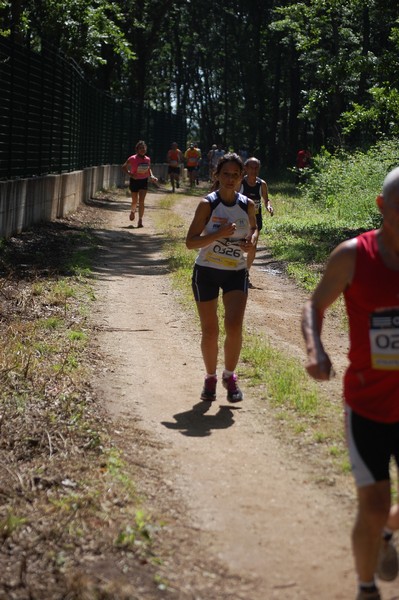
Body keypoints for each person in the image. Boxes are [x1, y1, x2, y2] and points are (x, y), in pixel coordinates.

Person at [301, 166, 399, 600]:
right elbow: (314, 306)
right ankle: (366, 590)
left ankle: (384, 534)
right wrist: (315, 349)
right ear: (381, 206)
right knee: (373, 505)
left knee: (386, 514)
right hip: (368, 406)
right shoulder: (352, 256)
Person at [185, 153, 258, 403]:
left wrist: (251, 242)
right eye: (225, 174)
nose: (230, 179)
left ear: (241, 178)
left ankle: (229, 376)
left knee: (234, 326)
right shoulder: (208, 204)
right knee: (210, 330)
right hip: (206, 271)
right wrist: (218, 235)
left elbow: (254, 228)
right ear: (217, 175)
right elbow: (190, 243)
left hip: (235, 273)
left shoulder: (248, 204)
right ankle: (210, 378)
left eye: (235, 175)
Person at [239, 157, 273, 287]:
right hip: (241, 220)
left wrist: (268, 206)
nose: (254, 170)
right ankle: (236, 270)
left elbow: (266, 199)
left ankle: (246, 273)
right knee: (240, 246)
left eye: (256, 168)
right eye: (251, 168)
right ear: (245, 168)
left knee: (253, 246)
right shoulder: (241, 183)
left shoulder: (261, 184)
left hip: (256, 220)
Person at [122, 140, 158, 227]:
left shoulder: (147, 159)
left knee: (141, 201)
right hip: (134, 181)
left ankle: (140, 220)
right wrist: (131, 174)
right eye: (141, 148)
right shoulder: (132, 158)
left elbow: (148, 169)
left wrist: (152, 176)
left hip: (144, 181)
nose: (143, 150)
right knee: (135, 201)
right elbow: (124, 167)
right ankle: (133, 211)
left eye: (144, 148)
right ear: (137, 150)